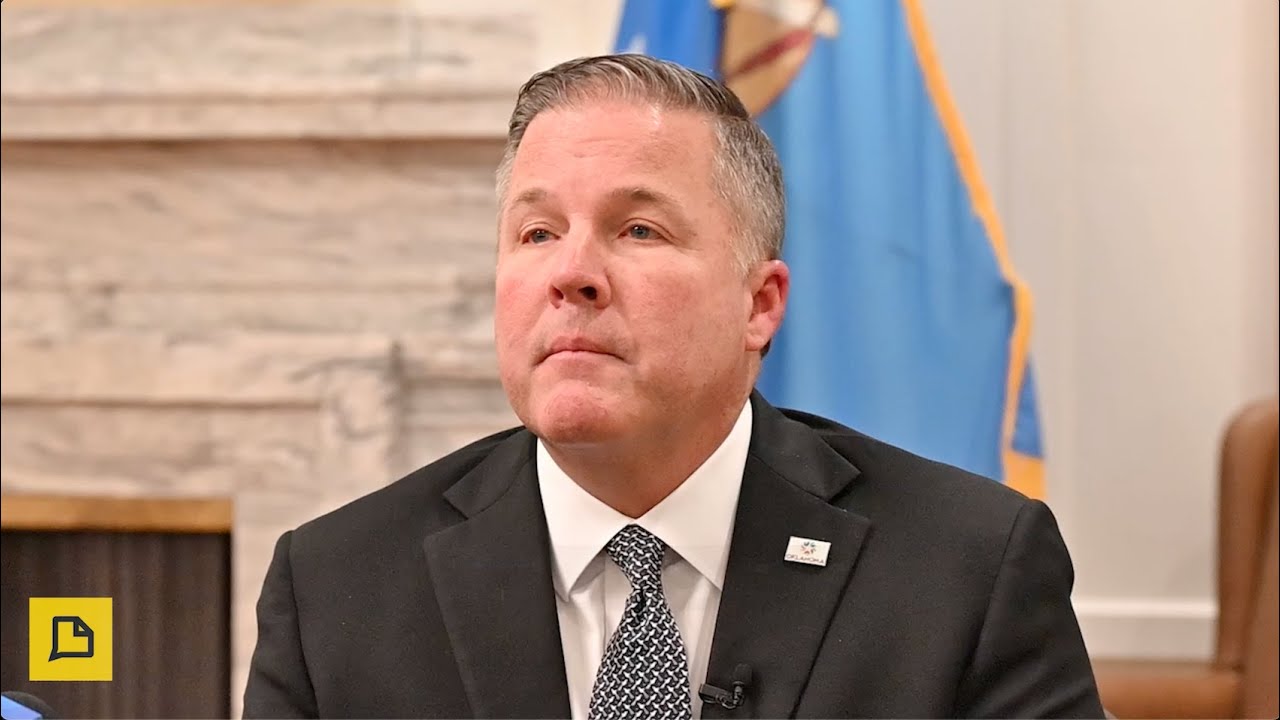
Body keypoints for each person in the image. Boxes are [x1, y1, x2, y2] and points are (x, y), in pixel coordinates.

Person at [242, 54, 1105, 719]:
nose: (571, 273)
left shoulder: (965, 570)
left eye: (639, 229)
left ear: (758, 305)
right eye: (537, 233)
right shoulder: (335, 588)